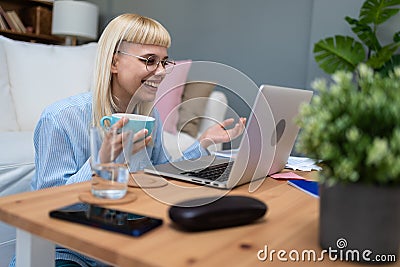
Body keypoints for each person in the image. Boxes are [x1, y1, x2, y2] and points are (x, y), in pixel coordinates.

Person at [10, 13, 245, 267]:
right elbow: (45, 205)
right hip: (65, 251)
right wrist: (100, 163)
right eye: (150, 60)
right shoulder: (61, 118)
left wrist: (204, 143)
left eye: (164, 62)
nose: (161, 71)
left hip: (118, 247)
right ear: (114, 63)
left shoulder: (147, 116)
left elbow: (163, 174)